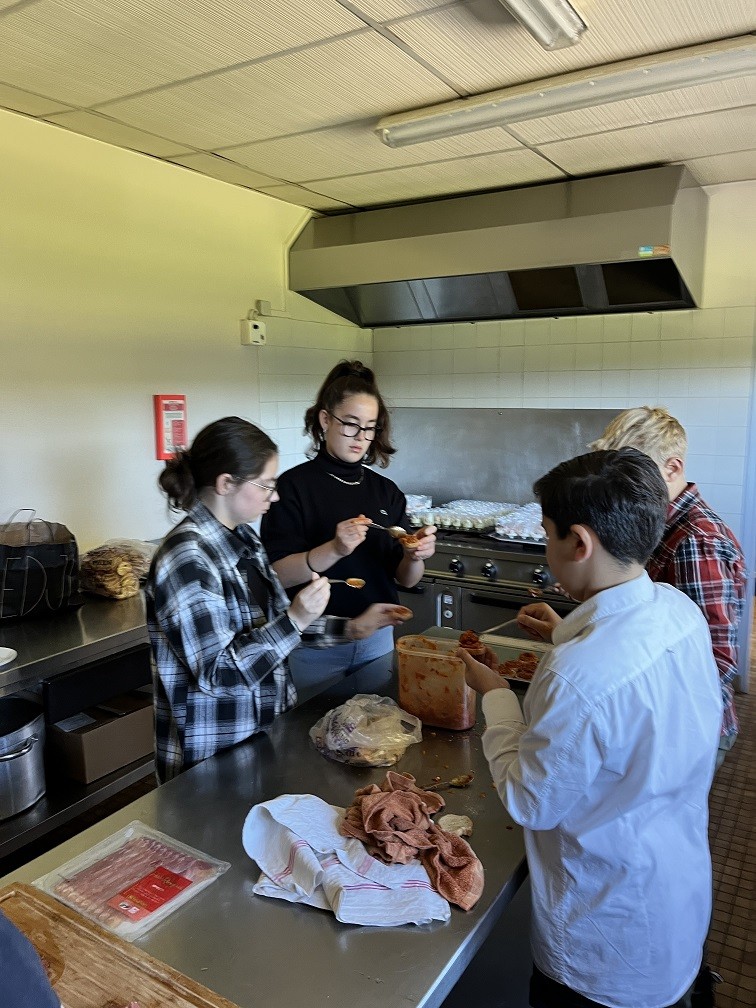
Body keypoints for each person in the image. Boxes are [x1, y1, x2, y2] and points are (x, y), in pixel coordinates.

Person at [459, 448, 722, 1008]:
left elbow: (532, 802)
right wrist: (568, 633)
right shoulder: (677, 610)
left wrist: (497, 696)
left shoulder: (577, 673)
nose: (546, 550)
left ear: (579, 543)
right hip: (675, 896)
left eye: (547, 536)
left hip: (603, 945)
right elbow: (625, 687)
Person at [146, 416, 411, 782]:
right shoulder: (186, 560)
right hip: (213, 758)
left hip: (263, 736)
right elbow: (217, 673)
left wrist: (351, 627)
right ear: (226, 484)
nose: (276, 496)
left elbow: (273, 625)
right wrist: (296, 620)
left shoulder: (244, 541)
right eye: (267, 485)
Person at [261, 360, 436, 693]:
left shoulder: (386, 491)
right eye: (351, 425)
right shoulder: (292, 488)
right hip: (314, 646)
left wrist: (415, 556)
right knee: (307, 740)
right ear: (325, 420)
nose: (361, 437)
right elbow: (277, 575)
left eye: (370, 427)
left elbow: (405, 579)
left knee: (375, 739)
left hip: (378, 641)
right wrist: (335, 549)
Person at [589, 405, 746, 764]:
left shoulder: (695, 541)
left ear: (672, 468)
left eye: (632, 476)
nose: (620, 490)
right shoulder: (659, 524)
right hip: (662, 716)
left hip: (688, 726)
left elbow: (716, 661)